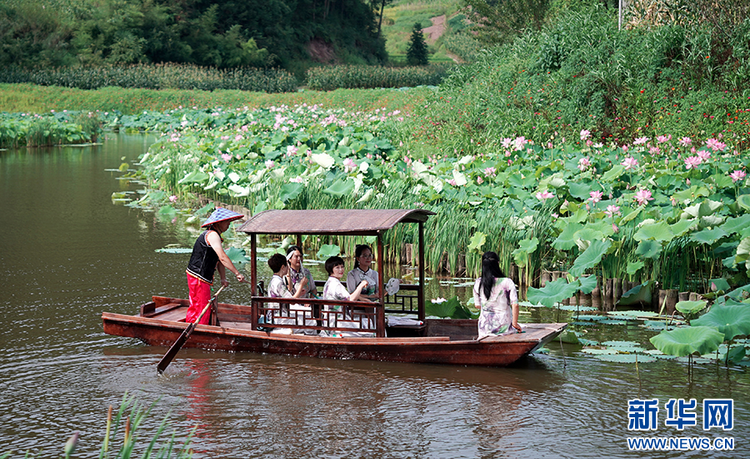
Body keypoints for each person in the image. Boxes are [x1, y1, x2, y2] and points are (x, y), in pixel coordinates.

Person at [185, 207, 246, 325]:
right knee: (201, 306)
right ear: (219, 222)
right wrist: (237, 273)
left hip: (202, 277)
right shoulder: (212, 235)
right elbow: (223, 257)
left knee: (202, 304)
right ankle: (198, 330)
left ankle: (198, 326)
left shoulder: (215, 235)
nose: (229, 224)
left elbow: (218, 260)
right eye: (227, 222)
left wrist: (223, 278)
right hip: (198, 276)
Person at [473, 251, 521, 338]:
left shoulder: (478, 282)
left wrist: (490, 307)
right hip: (504, 328)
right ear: (497, 263)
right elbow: (515, 305)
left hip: (484, 329)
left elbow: (477, 305)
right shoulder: (507, 282)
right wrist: (514, 324)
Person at [322, 256, 371, 336]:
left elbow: (346, 296)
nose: (341, 270)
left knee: (364, 322)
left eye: (342, 267)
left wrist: (361, 298)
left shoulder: (329, 282)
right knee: (369, 325)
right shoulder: (336, 285)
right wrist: (361, 285)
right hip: (338, 322)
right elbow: (350, 299)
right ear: (331, 269)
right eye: (337, 267)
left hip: (330, 320)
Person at [266, 253, 308, 334]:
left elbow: (288, 298)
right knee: (311, 322)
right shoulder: (278, 283)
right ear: (282, 267)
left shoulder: (275, 280)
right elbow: (292, 301)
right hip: (280, 318)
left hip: (278, 315)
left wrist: (299, 293)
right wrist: (301, 285)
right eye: (287, 265)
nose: (288, 267)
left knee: (305, 316)